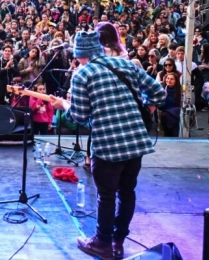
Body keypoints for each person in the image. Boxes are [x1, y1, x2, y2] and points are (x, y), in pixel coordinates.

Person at [50, 31, 165, 260]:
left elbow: (80, 117)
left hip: (107, 145)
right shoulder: (126, 65)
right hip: (135, 141)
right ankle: (118, 241)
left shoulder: (82, 75)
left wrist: (64, 105)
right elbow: (158, 92)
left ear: (80, 54)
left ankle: (102, 243)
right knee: (127, 192)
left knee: (107, 195)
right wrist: (145, 111)